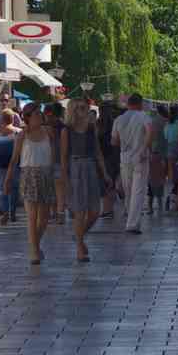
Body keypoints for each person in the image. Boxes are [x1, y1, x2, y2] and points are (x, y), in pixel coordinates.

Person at [6, 103, 55, 264]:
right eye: (35, 114)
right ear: (27, 117)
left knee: (45, 217)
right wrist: (8, 180)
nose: (39, 116)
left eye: (39, 113)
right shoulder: (22, 136)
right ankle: (34, 251)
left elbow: (54, 154)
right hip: (29, 175)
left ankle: (35, 244)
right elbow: (14, 160)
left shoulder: (49, 132)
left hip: (46, 174)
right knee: (32, 217)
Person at [61, 99, 109, 262]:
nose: (85, 111)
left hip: (90, 167)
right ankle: (80, 248)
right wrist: (65, 179)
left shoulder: (91, 128)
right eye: (81, 108)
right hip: (76, 167)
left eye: (86, 108)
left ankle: (79, 236)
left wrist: (105, 173)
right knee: (80, 211)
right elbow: (63, 157)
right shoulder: (66, 131)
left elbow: (98, 152)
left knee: (95, 211)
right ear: (73, 111)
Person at [113, 94, 154, 234]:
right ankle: (132, 224)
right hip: (140, 157)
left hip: (124, 158)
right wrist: (144, 148)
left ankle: (128, 213)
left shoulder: (119, 119)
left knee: (128, 189)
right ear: (140, 103)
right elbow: (150, 131)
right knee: (138, 190)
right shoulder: (143, 116)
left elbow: (114, 141)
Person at [0, 110, 21, 224]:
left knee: (3, 189)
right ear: (12, 119)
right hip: (14, 164)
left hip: (0, 164)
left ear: (3, 119)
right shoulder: (18, 132)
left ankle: (6, 212)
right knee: (13, 189)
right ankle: (12, 213)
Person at [98, 102, 121, 220]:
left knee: (106, 183)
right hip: (114, 156)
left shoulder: (98, 124)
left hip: (104, 157)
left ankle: (107, 209)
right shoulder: (114, 123)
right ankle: (109, 209)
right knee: (111, 182)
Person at [45, 102, 67, 224]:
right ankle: (57, 213)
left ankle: (57, 213)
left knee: (55, 189)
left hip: (52, 161)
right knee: (56, 189)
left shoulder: (51, 127)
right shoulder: (63, 126)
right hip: (54, 161)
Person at [148, 105, 169, 214]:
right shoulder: (166, 121)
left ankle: (150, 206)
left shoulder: (154, 121)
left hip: (154, 153)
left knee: (151, 179)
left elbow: (151, 138)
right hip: (164, 154)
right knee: (161, 179)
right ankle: (160, 203)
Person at [163, 106, 178, 211]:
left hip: (169, 147)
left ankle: (171, 186)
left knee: (170, 168)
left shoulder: (167, 124)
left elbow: (165, 137)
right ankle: (177, 185)